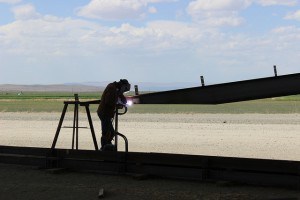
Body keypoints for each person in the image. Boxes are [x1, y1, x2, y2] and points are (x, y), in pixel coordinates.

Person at [97, 79, 131, 151]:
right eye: (124, 89)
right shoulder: (112, 88)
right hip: (104, 112)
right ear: (122, 86)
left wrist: (121, 96)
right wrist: (116, 105)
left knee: (109, 131)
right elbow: (108, 102)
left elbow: (122, 99)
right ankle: (104, 148)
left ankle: (106, 146)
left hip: (106, 113)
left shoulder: (116, 88)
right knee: (107, 131)